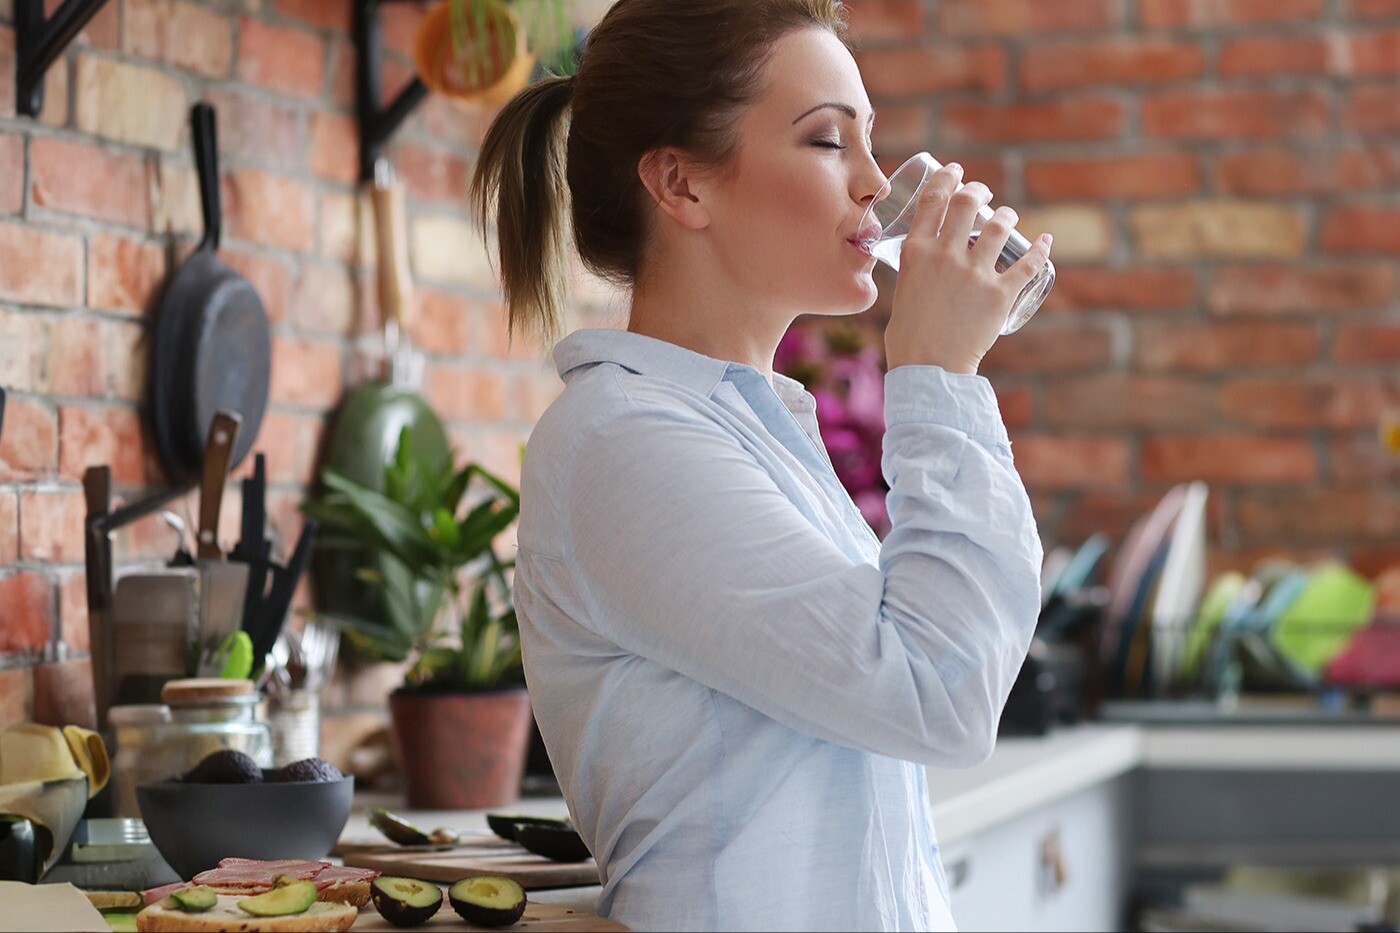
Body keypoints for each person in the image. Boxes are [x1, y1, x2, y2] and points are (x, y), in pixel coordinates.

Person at [469, 1, 1053, 930]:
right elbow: (938, 692)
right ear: (682, 185)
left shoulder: (750, 427)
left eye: (871, 141)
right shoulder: (624, 440)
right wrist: (939, 374)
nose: (875, 183)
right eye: (827, 141)